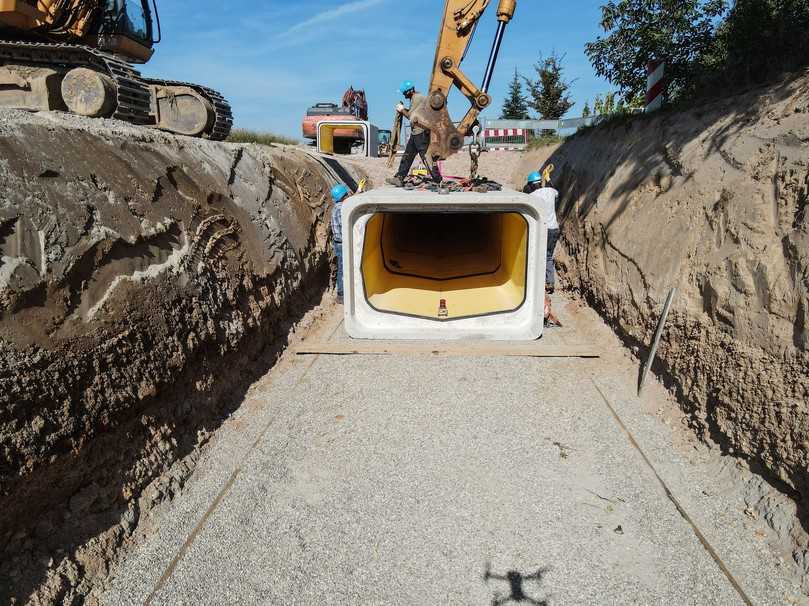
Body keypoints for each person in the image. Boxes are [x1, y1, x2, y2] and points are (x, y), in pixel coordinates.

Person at [385, 80, 442, 187]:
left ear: (409, 91)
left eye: (404, 92)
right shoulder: (415, 98)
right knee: (407, 156)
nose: (403, 94)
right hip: (416, 133)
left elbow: (412, 118)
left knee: (426, 157)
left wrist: (402, 110)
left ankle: (438, 180)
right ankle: (399, 178)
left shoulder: (417, 98)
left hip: (420, 133)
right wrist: (403, 110)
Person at [526, 170, 560, 293]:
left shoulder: (532, 196)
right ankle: (548, 281)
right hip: (554, 229)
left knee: (539, 255)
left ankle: (543, 282)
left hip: (543, 230)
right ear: (540, 182)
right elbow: (555, 193)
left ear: (530, 185)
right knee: (548, 256)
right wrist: (549, 179)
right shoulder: (551, 191)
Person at [330, 183, 351, 304]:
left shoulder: (337, 207)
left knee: (342, 268)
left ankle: (343, 292)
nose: (349, 195)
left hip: (338, 242)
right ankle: (341, 294)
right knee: (343, 269)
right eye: (347, 194)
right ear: (343, 196)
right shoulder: (342, 209)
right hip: (342, 243)